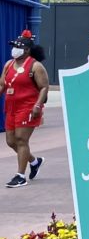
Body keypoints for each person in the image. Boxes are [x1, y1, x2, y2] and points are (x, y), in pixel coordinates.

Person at [4, 30, 48, 188]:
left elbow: (44, 87)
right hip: (11, 107)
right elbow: (2, 84)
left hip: (28, 107)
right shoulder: (9, 64)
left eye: (18, 46)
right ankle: (34, 162)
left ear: (27, 50)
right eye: (14, 46)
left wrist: (37, 105)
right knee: (10, 141)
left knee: (21, 140)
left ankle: (20, 176)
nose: (15, 49)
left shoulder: (36, 66)